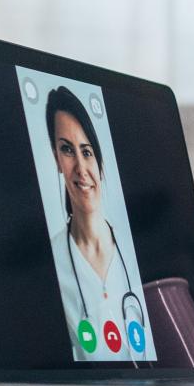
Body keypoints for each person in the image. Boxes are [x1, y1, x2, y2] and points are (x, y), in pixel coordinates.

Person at [42, 85, 145, 361]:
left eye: (86, 152)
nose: (80, 168)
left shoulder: (135, 251)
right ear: (56, 158)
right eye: (67, 150)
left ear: (98, 160)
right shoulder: (48, 262)